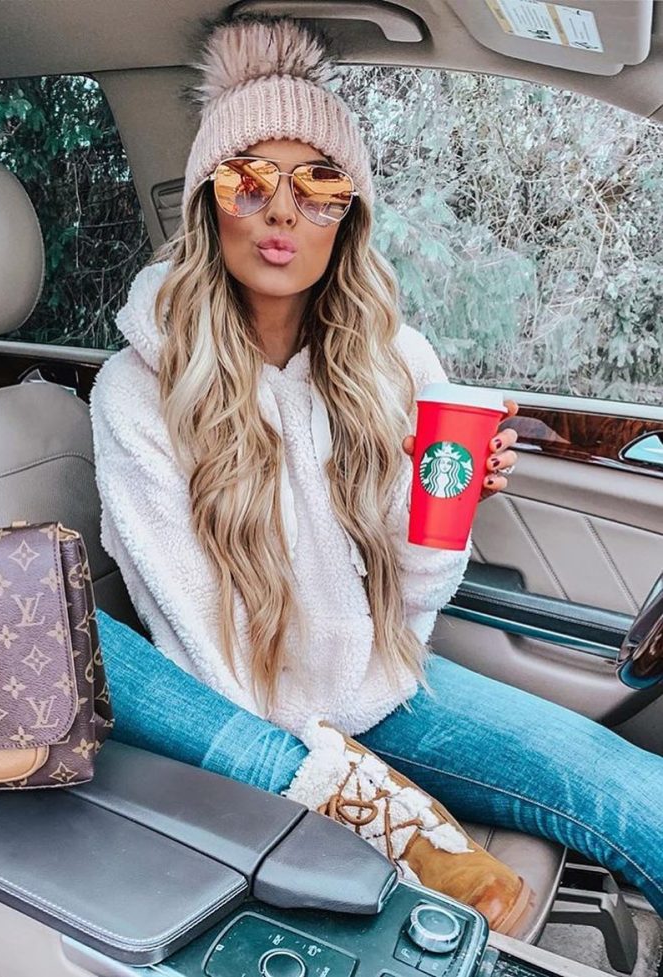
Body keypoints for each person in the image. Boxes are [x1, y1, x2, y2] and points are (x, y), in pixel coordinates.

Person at [90, 12, 663, 931]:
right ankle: (371, 813)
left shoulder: (395, 360)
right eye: (248, 180)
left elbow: (415, 596)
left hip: (385, 686)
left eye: (320, 183)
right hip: (251, 724)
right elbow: (203, 648)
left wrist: (437, 496)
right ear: (208, 203)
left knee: (636, 791)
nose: (283, 210)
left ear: (347, 214)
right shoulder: (137, 390)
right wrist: (340, 781)